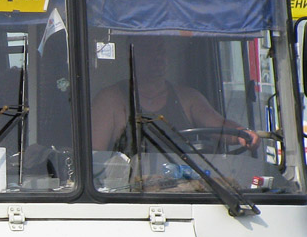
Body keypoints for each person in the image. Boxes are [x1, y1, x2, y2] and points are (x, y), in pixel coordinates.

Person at [91, 35, 259, 154]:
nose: (157, 58)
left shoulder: (189, 98)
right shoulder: (110, 101)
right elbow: (95, 156)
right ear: (131, 56)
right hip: (131, 196)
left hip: (182, 191)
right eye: (148, 51)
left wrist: (241, 134)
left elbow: (220, 126)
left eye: (160, 50)